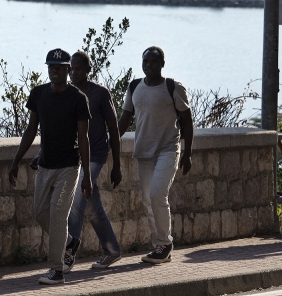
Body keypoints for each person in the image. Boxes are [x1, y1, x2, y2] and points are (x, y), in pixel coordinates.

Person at [8, 48, 92, 285]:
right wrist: (15, 162)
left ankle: (57, 270)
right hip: (45, 166)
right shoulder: (38, 94)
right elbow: (30, 130)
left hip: (69, 166)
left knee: (57, 216)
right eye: (51, 67)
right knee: (40, 213)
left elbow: (83, 138)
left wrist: (86, 176)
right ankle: (69, 243)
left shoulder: (78, 99)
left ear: (67, 70)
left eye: (59, 67)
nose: (54, 71)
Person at [117, 46, 193, 264]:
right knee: (149, 200)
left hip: (169, 149)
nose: (148, 65)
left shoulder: (173, 87)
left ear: (162, 64)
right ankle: (159, 246)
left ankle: (165, 243)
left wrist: (187, 153)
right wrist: (109, 140)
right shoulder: (134, 87)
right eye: (145, 61)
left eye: (153, 62)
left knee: (158, 194)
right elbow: (124, 120)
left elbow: (187, 121)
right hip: (144, 152)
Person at [61, 51, 123, 272]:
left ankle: (68, 253)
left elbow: (113, 129)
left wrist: (116, 164)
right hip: (77, 157)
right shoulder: (68, 93)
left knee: (77, 201)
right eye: (71, 69)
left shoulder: (100, 93)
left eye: (78, 69)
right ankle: (112, 249)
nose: (73, 73)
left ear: (88, 70)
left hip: (96, 154)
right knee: (93, 206)